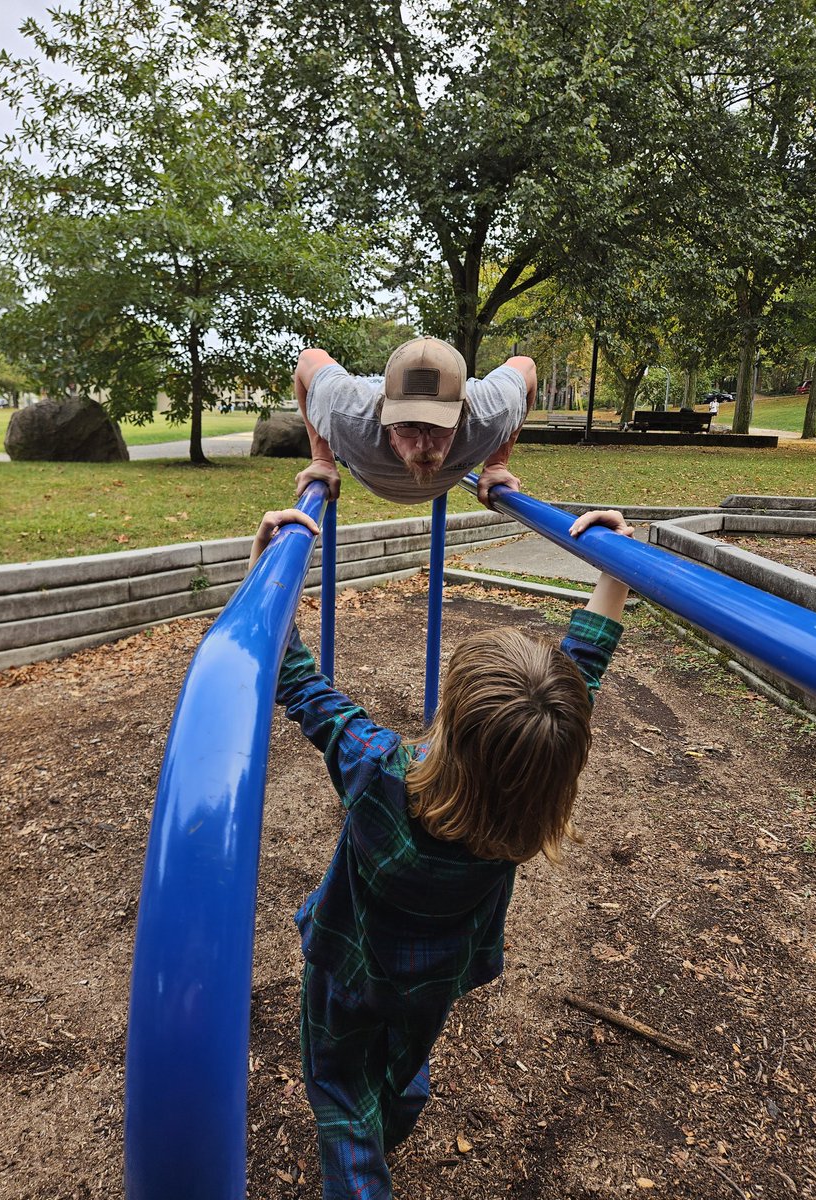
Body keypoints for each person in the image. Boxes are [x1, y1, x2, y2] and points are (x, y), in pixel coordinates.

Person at [249, 506, 633, 1200]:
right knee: (402, 1066)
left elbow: (299, 682)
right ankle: (396, 1107)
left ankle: (363, 1159)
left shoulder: (378, 769)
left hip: (350, 967)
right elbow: (580, 676)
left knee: (339, 1088)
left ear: (449, 720)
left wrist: (267, 572)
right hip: (436, 977)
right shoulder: (527, 804)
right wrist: (617, 569)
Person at [292, 337, 537, 507]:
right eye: (407, 425)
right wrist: (322, 459)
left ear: (462, 416)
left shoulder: (491, 414)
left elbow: (525, 367)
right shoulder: (346, 413)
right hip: (355, 452)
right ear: (385, 419)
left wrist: (497, 464)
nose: (423, 445)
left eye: (439, 426)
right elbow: (308, 359)